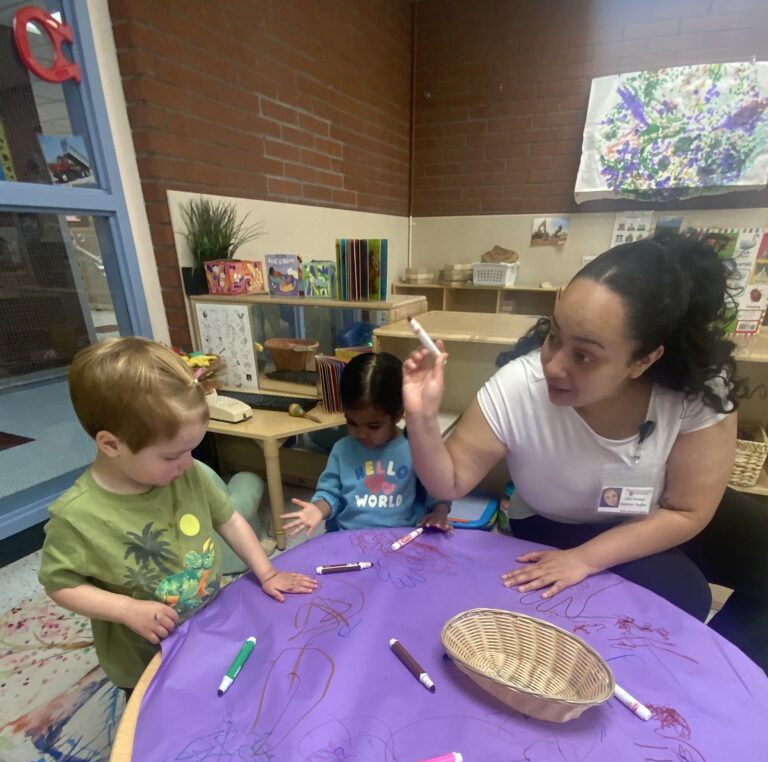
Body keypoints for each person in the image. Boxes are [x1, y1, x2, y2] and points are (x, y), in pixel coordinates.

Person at [403, 233, 768, 674]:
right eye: (554, 337)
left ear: (643, 361)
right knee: (681, 593)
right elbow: (450, 482)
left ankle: (728, 678)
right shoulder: (521, 385)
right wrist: (421, 420)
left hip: (658, 509)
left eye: (585, 356)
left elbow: (688, 510)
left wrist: (588, 559)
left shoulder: (694, 391)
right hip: (558, 519)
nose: (554, 365)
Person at [38, 337, 317, 694]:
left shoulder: (190, 473)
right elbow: (59, 583)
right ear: (111, 445)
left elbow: (229, 519)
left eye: (191, 449)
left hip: (207, 626)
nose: (187, 463)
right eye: (171, 456)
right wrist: (125, 609)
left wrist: (267, 571)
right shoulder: (76, 517)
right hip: (142, 660)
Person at [282, 351, 451, 537]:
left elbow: (436, 492)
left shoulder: (414, 449)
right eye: (352, 423)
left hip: (401, 539)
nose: (361, 434)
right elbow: (330, 494)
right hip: (350, 538)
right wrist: (317, 510)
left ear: (396, 414)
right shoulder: (342, 450)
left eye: (374, 426)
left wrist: (439, 512)